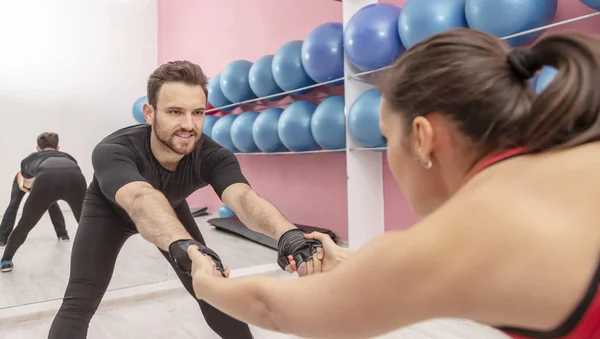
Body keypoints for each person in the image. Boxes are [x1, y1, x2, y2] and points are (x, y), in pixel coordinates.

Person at [185, 29, 600, 339]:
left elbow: (273, 308)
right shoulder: (575, 153)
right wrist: (355, 264)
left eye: (386, 137)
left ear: (422, 136)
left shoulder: (463, 237)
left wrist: (206, 283)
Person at [47, 60, 322, 339]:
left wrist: (288, 235)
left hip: (169, 209)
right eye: (175, 112)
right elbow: (139, 198)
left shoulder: (213, 157)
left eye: (198, 112)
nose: (188, 125)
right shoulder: (113, 150)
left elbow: (242, 198)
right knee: (78, 303)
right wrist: (185, 246)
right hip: (109, 212)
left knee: (215, 292)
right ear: (149, 113)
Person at [1, 133, 86, 272]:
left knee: (25, 224)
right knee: (87, 222)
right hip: (75, 177)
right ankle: (102, 257)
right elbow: (73, 168)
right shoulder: (69, 157)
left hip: (47, 179)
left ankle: (5, 261)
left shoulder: (31, 158)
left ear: (38, 148)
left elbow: (26, 176)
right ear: (57, 147)